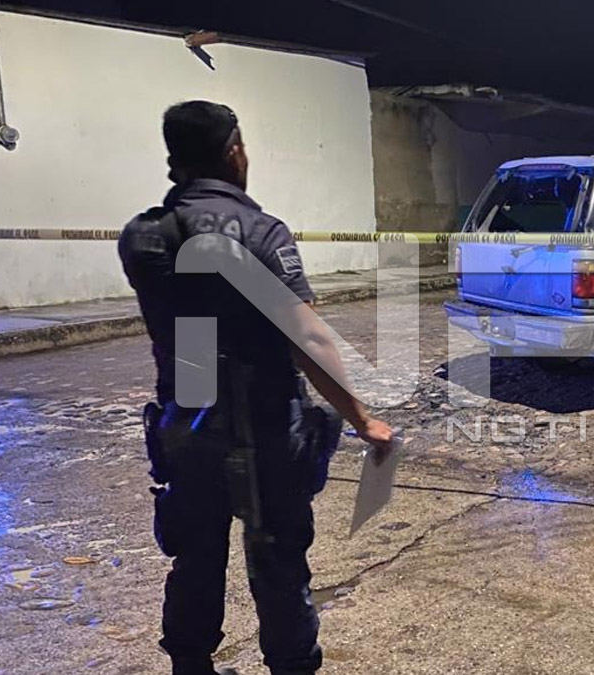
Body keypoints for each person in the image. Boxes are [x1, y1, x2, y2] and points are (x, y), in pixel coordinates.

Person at [118, 100, 393, 675]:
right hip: (264, 419)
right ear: (234, 152)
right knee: (277, 558)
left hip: (187, 411)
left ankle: (190, 664)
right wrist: (363, 419)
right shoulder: (262, 233)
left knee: (195, 555)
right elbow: (306, 338)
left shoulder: (142, 236)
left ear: (174, 158)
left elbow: (189, 323)